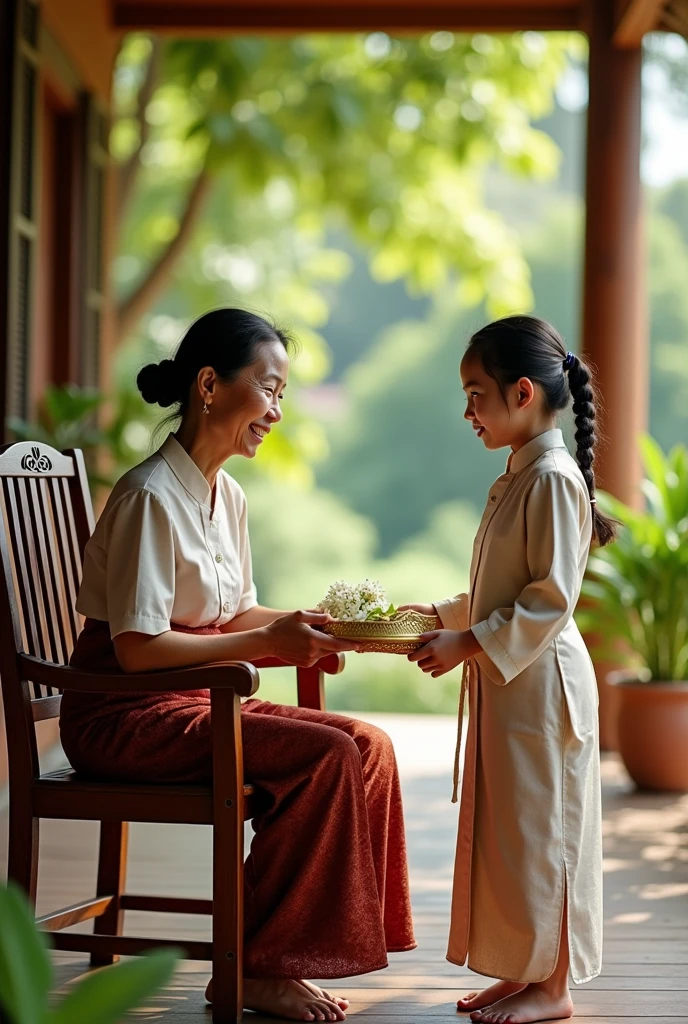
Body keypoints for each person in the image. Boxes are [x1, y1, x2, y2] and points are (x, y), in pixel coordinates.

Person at [60, 308, 416, 1023]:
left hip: (196, 700)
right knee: (325, 757)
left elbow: (238, 613)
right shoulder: (148, 498)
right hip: (122, 713)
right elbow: (136, 650)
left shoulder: (232, 497)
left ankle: (279, 956)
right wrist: (263, 645)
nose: (278, 410)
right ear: (209, 386)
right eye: (269, 388)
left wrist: (311, 627)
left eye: (284, 394)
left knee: (368, 746)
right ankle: (255, 969)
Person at [402, 315, 614, 1024]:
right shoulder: (521, 474)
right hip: (514, 681)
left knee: (547, 832)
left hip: (542, 687)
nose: (467, 412)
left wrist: (466, 643)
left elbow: (549, 598)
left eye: (475, 394)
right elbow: (502, 588)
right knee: (515, 837)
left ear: (522, 392)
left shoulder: (551, 479)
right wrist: (439, 614)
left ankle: (553, 989)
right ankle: (525, 973)